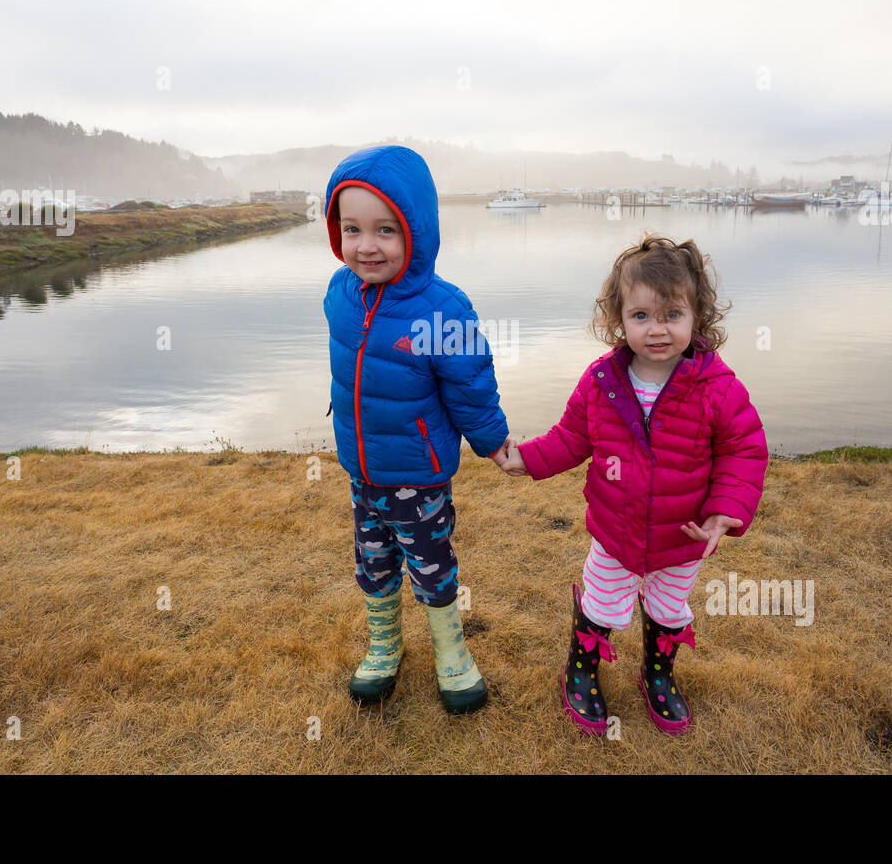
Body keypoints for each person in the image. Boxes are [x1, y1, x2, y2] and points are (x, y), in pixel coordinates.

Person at [499, 235, 768, 735]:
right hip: (615, 532)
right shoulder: (601, 380)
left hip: (682, 536)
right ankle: (581, 667)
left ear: (697, 317)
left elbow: (744, 451)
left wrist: (722, 512)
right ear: (618, 319)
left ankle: (658, 673)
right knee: (602, 603)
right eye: (641, 316)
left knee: (669, 608)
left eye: (672, 314)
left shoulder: (719, 387)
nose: (657, 328)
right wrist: (526, 460)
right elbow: (570, 438)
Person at [323, 144, 512, 715]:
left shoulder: (443, 309)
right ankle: (384, 646)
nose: (366, 245)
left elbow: (470, 384)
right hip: (362, 469)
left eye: (385, 230)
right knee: (372, 562)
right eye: (352, 229)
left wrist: (493, 440)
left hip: (419, 475)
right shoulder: (339, 293)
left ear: (417, 232)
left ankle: (452, 653)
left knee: (430, 564)